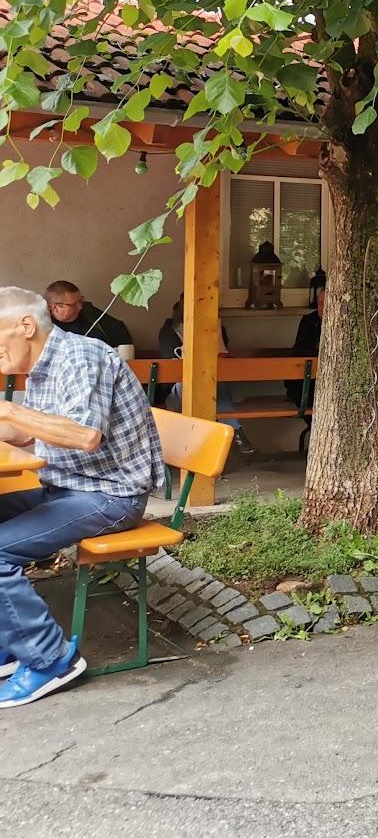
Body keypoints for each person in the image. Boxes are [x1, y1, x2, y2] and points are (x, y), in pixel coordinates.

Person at [0, 285, 162, 708]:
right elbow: (26, 433)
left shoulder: (82, 356)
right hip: (66, 487)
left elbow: (84, 434)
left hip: (110, 495)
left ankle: (50, 660)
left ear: (25, 326)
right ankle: (10, 644)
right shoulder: (43, 365)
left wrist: (9, 409)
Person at [158, 298, 249, 455]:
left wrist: (217, 331)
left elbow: (224, 364)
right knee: (205, 380)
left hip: (212, 392)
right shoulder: (169, 331)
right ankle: (235, 433)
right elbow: (173, 368)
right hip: (177, 394)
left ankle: (231, 436)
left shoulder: (217, 329)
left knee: (214, 380)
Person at [44, 281, 133, 351]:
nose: (80, 307)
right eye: (73, 304)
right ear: (55, 308)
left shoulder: (89, 313)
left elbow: (119, 330)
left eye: (80, 301)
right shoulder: (42, 325)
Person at [285, 287, 323, 408]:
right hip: (304, 383)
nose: (321, 308)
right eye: (320, 303)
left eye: (325, 304)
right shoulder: (309, 321)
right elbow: (300, 350)